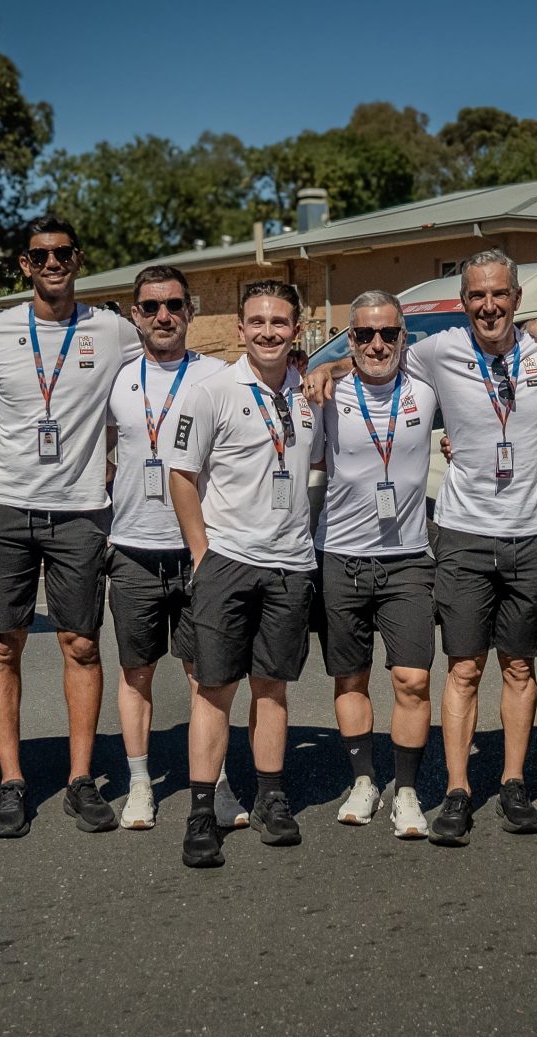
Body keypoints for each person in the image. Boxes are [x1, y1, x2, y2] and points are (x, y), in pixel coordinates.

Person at [305, 252, 537, 847]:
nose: (488, 305)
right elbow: (381, 354)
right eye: (476, 295)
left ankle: (510, 782)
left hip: (535, 534)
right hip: (463, 534)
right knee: (463, 668)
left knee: (521, 664)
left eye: (499, 294)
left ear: (519, 297)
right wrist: (332, 367)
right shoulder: (438, 351)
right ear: (463, 301)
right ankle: (456, 790)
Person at [0, 216, 144, 838]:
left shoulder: (113, 328)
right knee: (3, 645)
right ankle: (12, 782)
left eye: (64, 254)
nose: (53, 264)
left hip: (80, 509)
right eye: (41, 255)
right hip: (9, 506)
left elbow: (163, 367)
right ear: (24, 265)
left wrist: (311, 367)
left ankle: (79, 779)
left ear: (79, 259)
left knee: (80, 644)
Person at [170, 280, 325, 868]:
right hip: (227, 562)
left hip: (290, 564)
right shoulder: (210, 392)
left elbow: (315, 459)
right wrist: (202, 554)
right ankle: (202, 812)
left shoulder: (311, 392)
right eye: (257, 321)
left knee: (273, 686)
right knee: (214, 690)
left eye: (280, 322)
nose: (268, 332)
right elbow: (181, 476)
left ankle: (270, 798)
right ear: (240, 329)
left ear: (297, 329)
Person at [104, 265, 244, 831]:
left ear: (191, 310)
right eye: (150, 306)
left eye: (174, 305)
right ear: (135, 314)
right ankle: (140, 783)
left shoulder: (221, 375)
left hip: (202, 552)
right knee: (137, 671)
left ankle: (218, 785)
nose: (163, 316)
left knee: (205, 676)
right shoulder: (115, 378)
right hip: (133, 547)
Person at [313, 291, 438, 838]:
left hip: (408, 559)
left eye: (388, 333)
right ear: (350, 338)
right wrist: (325, 367)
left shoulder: (428, 388)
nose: (377, 344)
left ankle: (406, 790)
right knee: (351, 678)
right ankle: (365, 780)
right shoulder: (327, 392)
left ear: (403, 336)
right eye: (364, 335)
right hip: (340, 555)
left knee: (412, 679)